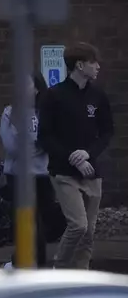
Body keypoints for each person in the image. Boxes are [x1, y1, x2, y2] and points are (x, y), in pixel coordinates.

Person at [37, 42, 114, 269]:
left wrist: (88, 154)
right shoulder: (54, 96)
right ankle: (59, 269)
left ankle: (82, 278)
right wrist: (73, 157)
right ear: (79, 65)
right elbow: (45, 136)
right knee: (78, 225)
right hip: (63, 173)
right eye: (93, 62)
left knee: (88, 233)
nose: (98, 67)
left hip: (92, 172)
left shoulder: (98, 96)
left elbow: (107, 131)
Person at [0, 72, 53, 269]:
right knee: (29, 222)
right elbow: (11, 146)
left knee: (41, 223)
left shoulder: (47, 112)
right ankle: (35, 265)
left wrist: (33, 146)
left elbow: (50, 141)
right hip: (18, 175)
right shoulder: (10, 112)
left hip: (43, 174)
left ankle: (21, 262)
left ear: (37, 88)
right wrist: (34, 146)